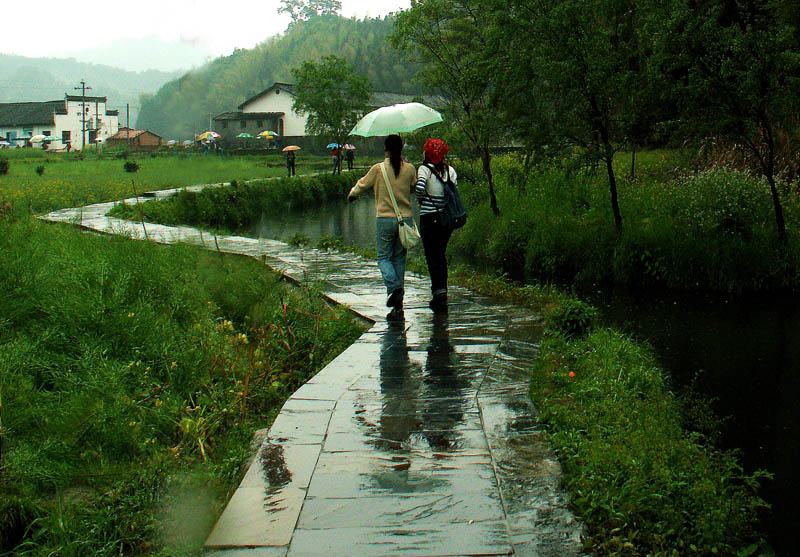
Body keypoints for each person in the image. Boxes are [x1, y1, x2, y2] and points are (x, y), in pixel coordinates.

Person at [347, 134, 416, 320]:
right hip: (405, 220)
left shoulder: (378, 169)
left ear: (385, 149)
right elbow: (412, 188)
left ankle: (393, 289)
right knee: (399, 260)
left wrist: (352, 195)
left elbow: (362, 185)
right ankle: (398, 306)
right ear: (401, 148)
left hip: (384, 220)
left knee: (384, 258)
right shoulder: (410, 168)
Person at [415, 138, 457, 311]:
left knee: (432, 256)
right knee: (440, 254)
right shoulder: (450, 171)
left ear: (427, 154)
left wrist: (421, 198)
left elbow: (419, 189)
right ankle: (442, 290)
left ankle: (438, 292)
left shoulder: (424, 170)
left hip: (429, 218)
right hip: (446, 220)